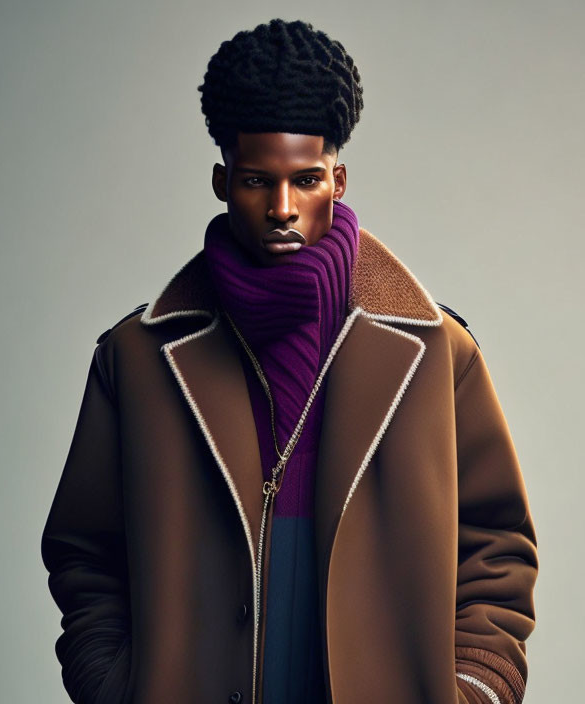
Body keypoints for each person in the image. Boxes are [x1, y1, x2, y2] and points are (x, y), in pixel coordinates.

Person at [41, 18, 538, 704]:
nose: (282, 209)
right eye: (256, 181)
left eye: (305, 180)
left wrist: (475, 688)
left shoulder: (434, 353)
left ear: (337, 179)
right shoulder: (138, 359)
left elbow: (498, 547)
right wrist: (115, 688)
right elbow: (84, 555)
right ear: (222, 181)